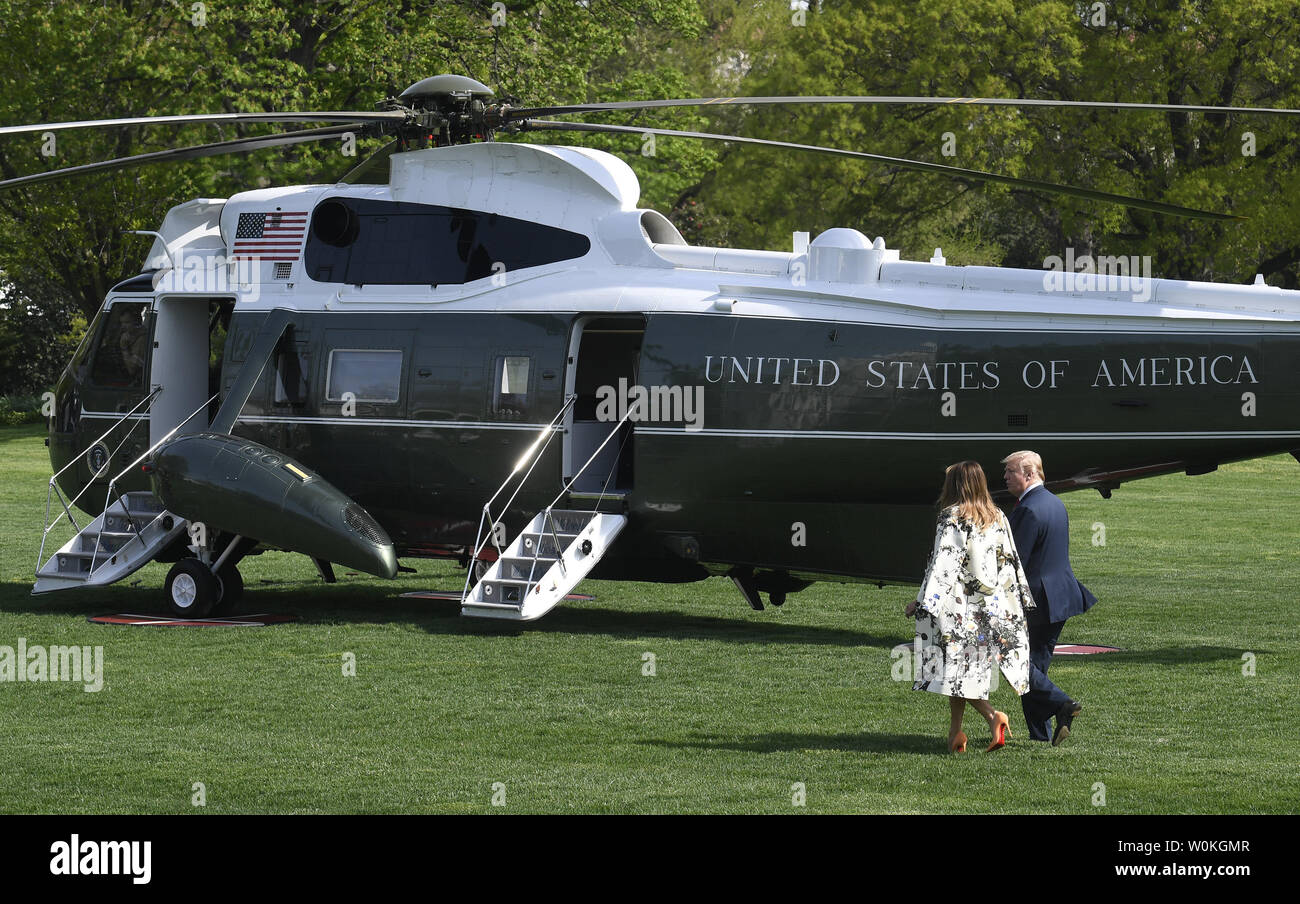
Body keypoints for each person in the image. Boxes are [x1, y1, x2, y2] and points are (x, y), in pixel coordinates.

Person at [904, 460, 1035, 753]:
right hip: (989, 608)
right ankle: (955, 735)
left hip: (957, 610)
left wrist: (923, 602)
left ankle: (993, 718)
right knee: (963, 674)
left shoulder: (952, 517)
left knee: (955, 673)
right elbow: (1009, 562)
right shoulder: (997, 515)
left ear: (954, 486)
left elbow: (943, 564)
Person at [1002, 450, 1098, 745]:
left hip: (1037, 601)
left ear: (1029, 474)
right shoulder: (1055, 503)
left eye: (1010, 472)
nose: (1005, 478)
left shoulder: (1028, 510)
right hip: (1061, 597)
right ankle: (1041, 735)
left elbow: (1014, 562)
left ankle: (1062, 704)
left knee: (1015, 662)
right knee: (1034, 667)